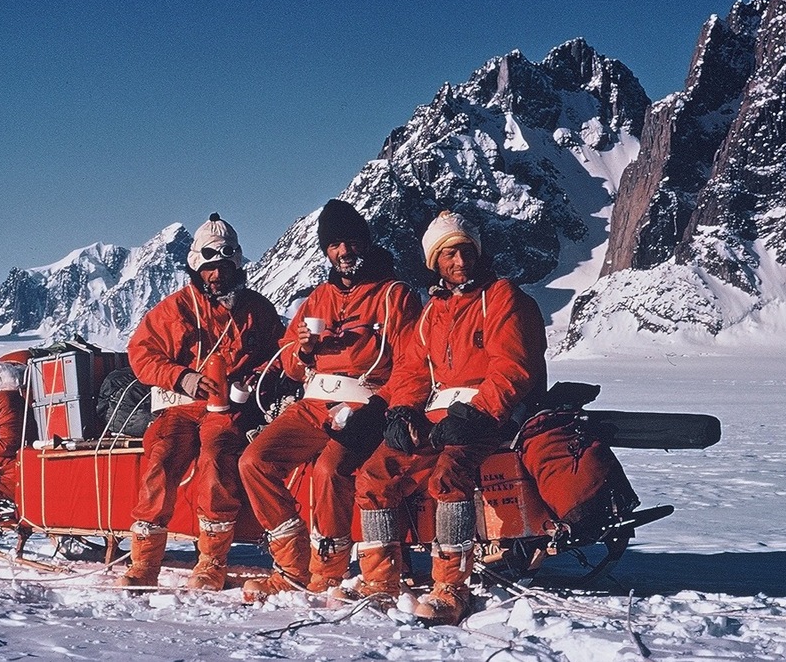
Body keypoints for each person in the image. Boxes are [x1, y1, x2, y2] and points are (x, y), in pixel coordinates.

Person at [352, 211, 547, 625]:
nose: (459, 262)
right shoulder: (430, 314)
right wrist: (402, 409)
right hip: (440, 414)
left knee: (448, 474)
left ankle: (450, 586)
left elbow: (513, 368)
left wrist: (478, 413)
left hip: (491, 413)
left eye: (464, 251)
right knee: (375, 473)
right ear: (434, 263)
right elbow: (412, 371)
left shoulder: (501, 297)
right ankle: (381, 582)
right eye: (448, 255)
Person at [238, 199, 422, 600]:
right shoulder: (317, 298)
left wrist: (380, 408)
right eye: (335, 244)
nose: (344, 251)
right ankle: (292, 564)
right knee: (254, 461)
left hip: (365, 404)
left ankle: (329, 571)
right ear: (325, 250)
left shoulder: (395, 296)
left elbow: (412, 364)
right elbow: (286, 363)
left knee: (328, 471)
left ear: (366, 243)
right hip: (313, 402)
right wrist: (302, 350)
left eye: (352, 241)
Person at [120, 213, 283, 591]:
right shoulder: (173, 309)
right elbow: (141, 354)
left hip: (228, 410)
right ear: (197, 267)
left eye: (225, 266)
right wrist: (182, 377)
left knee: (216, 460)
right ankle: (144, 560)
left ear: (236, 265)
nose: (217, 275)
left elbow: (279, 354)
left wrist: (256, 379)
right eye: (210, 267)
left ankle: (211, 561)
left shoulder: (257, 309)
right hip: (179, 406)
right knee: (161, 458)